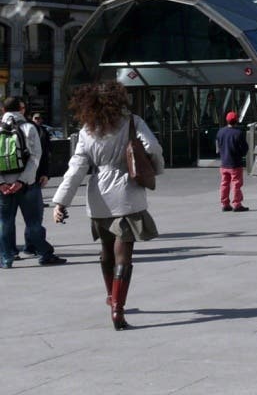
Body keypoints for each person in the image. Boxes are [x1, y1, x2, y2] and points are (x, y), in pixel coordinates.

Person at [52, 81, 165, 330]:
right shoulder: (132, 122)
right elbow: (153, 147)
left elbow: (76, 169)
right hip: (126, 192)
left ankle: (111, 297)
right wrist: (155, 168)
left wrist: (60, 201)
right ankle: (118, 310)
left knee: (105, 251)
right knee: (123, 254)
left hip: (98, 195)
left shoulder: (87, 130)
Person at [2, 97, 66, 268]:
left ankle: (6, 258)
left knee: (5, 222)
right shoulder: (29, 128)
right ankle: (44, 253)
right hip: (27, 185)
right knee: (33, 222)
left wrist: (2, 183)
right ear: (21, 110)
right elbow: (35, 157)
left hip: (3, 187)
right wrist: (22, 181)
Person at [20, 110, 67, 264]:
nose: (39, 120)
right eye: (36, 118)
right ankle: (39, 250)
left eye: (40, 117)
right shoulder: (33, 130)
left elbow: (45, 153)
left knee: (6, 220)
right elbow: (39, 155)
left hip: (11, 181)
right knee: (34, 218)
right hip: (29, 180)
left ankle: (8, 254)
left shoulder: (7, 129)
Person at [216, 111, 249, 212]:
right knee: (236, 184)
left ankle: (225, 204)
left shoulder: (220, 132)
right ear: (237, 120)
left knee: (224, 184)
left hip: (224, 163)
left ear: (227, 120)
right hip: (235, 163)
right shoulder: (238, 133)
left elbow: (217, 147)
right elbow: (245, 148)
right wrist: (240, 154)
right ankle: (237, 204)